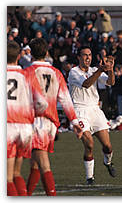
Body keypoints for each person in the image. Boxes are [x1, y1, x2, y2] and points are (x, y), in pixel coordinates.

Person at [25, 38, 83, 196]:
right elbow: (65, 99)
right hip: (51, 124)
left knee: (43, 164)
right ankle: (26, 195)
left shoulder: (28, 72)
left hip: (37, 121)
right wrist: (74, 122)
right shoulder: (56, 73)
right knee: (35, 164)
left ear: (31, 53)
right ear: (46, 53)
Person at [68, 46, 116, 185]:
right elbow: (86, 84)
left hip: (95, 110)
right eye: (84, 55)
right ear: (79, 57)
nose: (88, 57)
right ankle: (90, 178)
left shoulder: (94, 70)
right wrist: (101, 70)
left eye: (89, 55)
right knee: (89, 144)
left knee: (108, 147)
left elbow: (110, 82)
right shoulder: (73, 72)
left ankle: (108, 163)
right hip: (79, 110)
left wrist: (111, 69)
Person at [7, 41, 48, 196]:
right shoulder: (27, 75)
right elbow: (42, 103)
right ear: (19, 56)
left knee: (7, 178)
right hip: (25, 129)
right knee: (17, 173)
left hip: (8, 127)